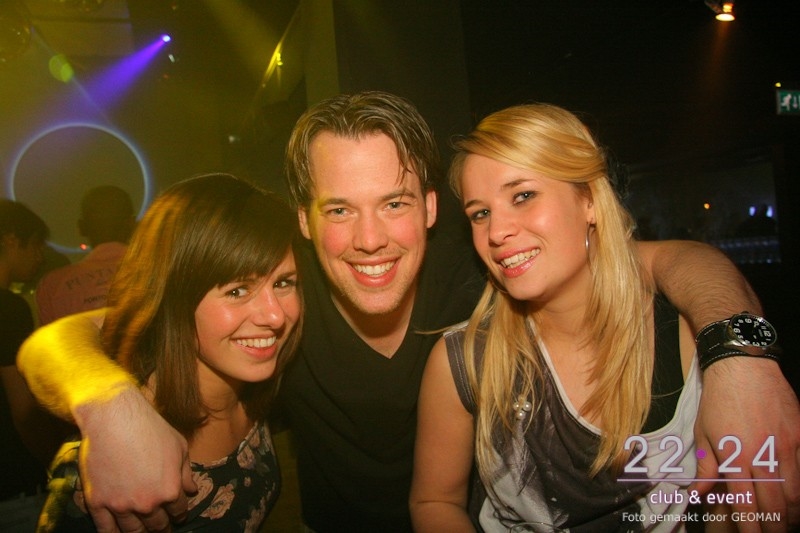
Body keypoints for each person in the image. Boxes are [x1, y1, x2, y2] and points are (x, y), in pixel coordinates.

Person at [17, 92, 800, 532]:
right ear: (304, 219)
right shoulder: (282, 300)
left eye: (393, 203)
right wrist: (109, 401)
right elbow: (68, 335)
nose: (369, 240)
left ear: (429, 208)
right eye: (339, 209)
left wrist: (742, 357)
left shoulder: (488, 269)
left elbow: (674, 260)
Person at [409, 104, 794, 531]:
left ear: (589, 200)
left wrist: (743, 360)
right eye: (480, 213)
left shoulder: (687, 334)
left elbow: (734, 498)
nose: (496, 232)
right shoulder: (465, 362)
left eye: (523, 196)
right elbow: (434, 501)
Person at [34, 174, 303, 532]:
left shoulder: (251, 387)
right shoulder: (117, 465)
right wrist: (107, 409)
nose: (275, 316)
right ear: (174, 298)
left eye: (283, 283)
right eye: (238, 290)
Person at [0, 200, 54, 531]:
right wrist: (56, 462)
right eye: (35, 245)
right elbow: (23, 409)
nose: (39, 257)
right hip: (12, 484)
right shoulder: (9, 308)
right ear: (11, 241)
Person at [36, 185, 135, 325]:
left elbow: (51, 338)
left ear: (81, 227)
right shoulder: (160, 275)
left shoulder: (52, 286)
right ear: (132, 224)